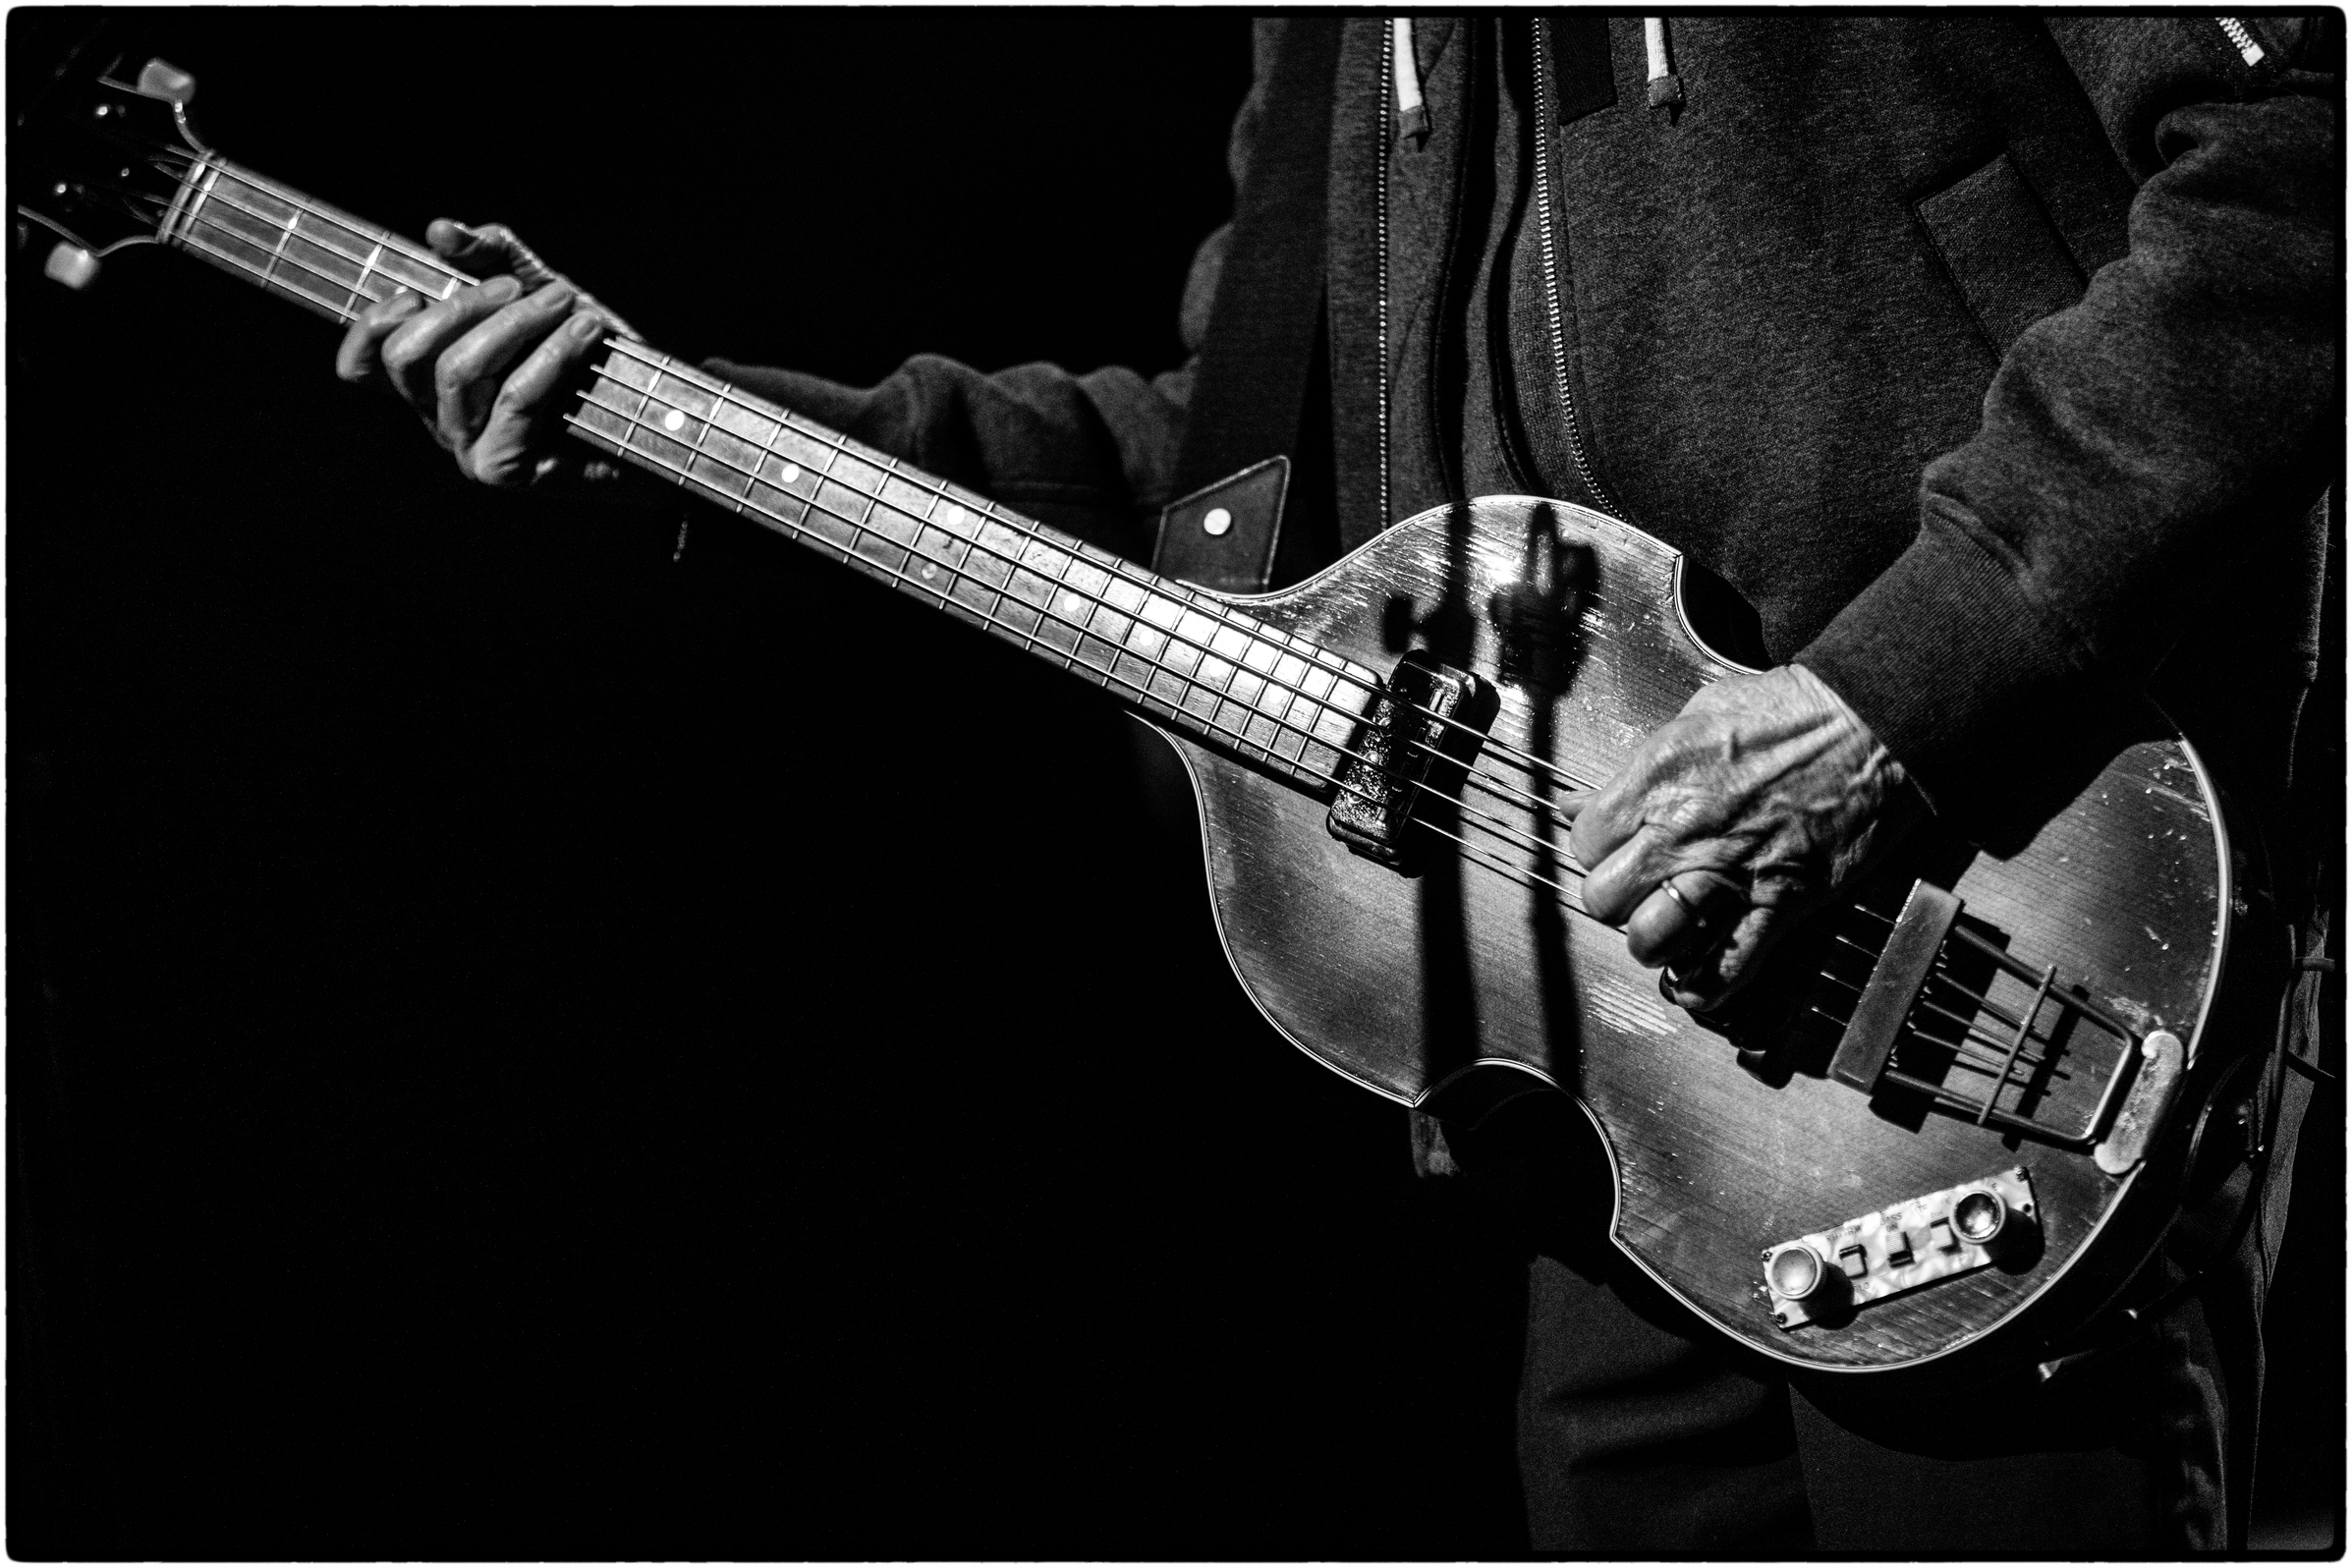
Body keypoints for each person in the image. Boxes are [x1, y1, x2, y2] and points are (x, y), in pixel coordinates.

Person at [333, 16, 2338, 1553]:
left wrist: (1900, 699)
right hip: (1648, 1146)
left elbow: (2298, 160)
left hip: (2045, 952)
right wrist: (673, 420)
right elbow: (1220, 509)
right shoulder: (1345, 44)